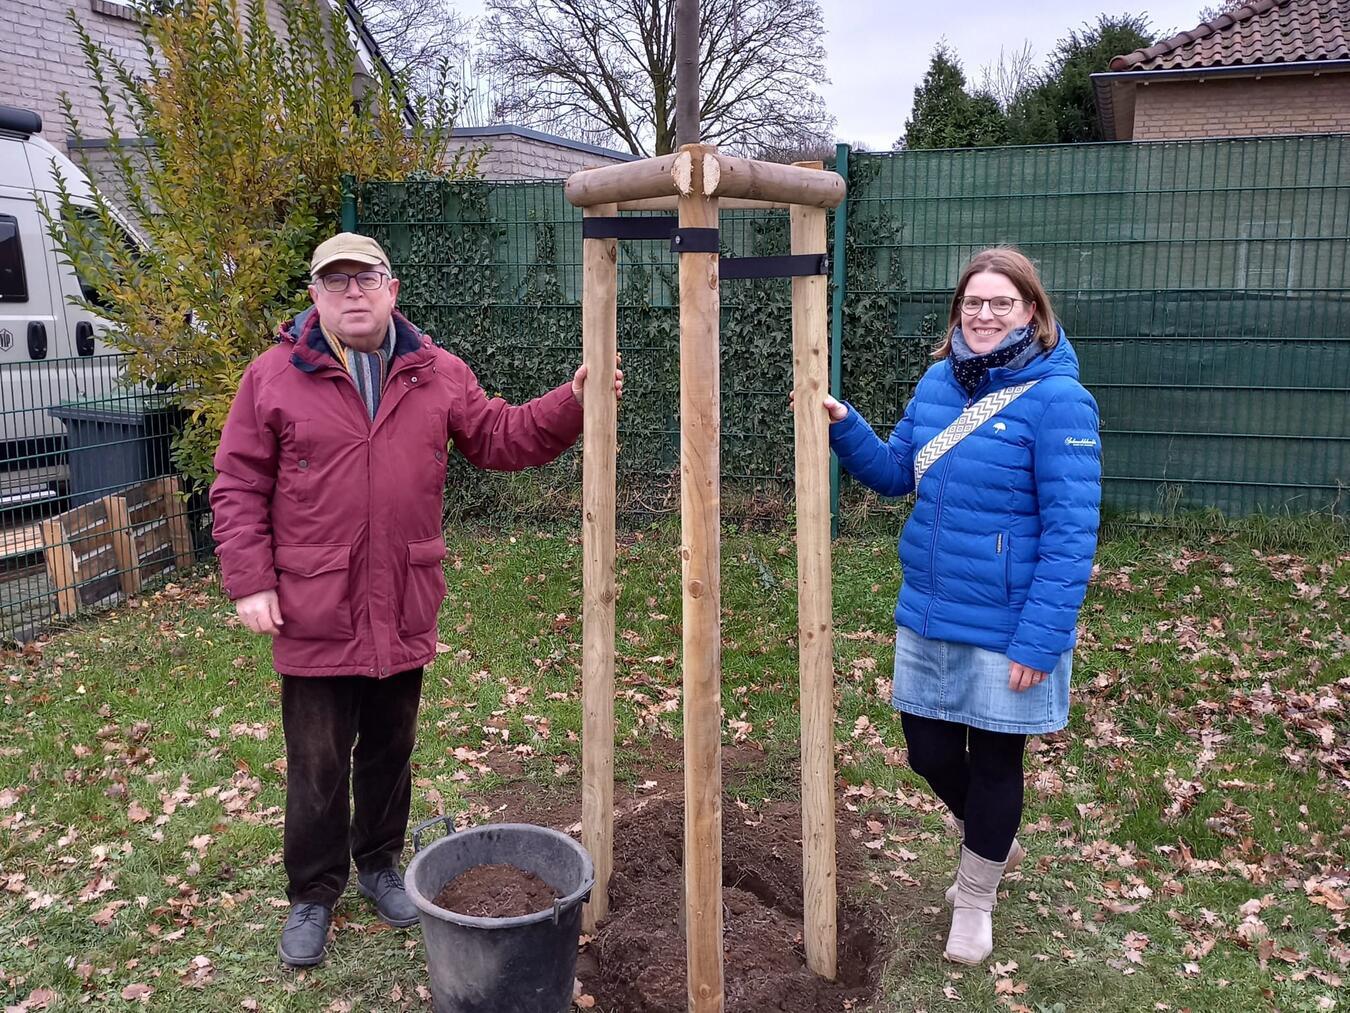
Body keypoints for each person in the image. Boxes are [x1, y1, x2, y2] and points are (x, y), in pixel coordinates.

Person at [209, 232, 621, 968]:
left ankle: (377, 864)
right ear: (315, 298)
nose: (352, 294)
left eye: (364, 279)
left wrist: (573, 402)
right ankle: (313, 892)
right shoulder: (271, 379)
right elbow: (238, 483)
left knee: (390, 749)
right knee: (317, 759)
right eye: (335, 284)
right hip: (315, 604)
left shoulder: (438, 374)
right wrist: (250, 579)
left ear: (392, 289)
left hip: (402, 599)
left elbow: (501, 435)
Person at [817, 246, 1100, 965]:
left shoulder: (1059, 399)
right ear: (957, 312)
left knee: (999, 763)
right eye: (973, 302)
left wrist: (1041, 640)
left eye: (1000, 302)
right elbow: (895, 474)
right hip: (931, 607)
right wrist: (843, 423)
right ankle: (992, 840)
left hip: (1008, 623)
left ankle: (975, 898)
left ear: (1030, 310)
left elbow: (1071, 533)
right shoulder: (939, 385)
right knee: (928, 751)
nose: (983, 314)